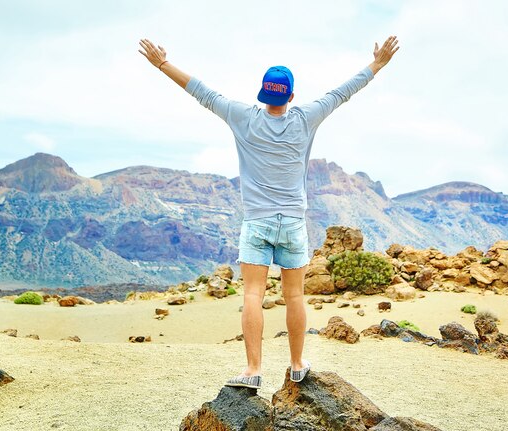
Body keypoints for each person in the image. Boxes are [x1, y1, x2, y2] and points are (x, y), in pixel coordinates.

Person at [138, 36, 400, 390]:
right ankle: (295, 365)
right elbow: (342, 92)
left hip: (257, 222)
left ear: (263, 93)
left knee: (252, 295)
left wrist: (162, 64)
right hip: (292, 222)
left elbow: (202, 92)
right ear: (291, 96)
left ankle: (252, 370)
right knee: (294, 296)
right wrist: (378, 64)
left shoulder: (242, 116)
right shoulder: (306, 117)